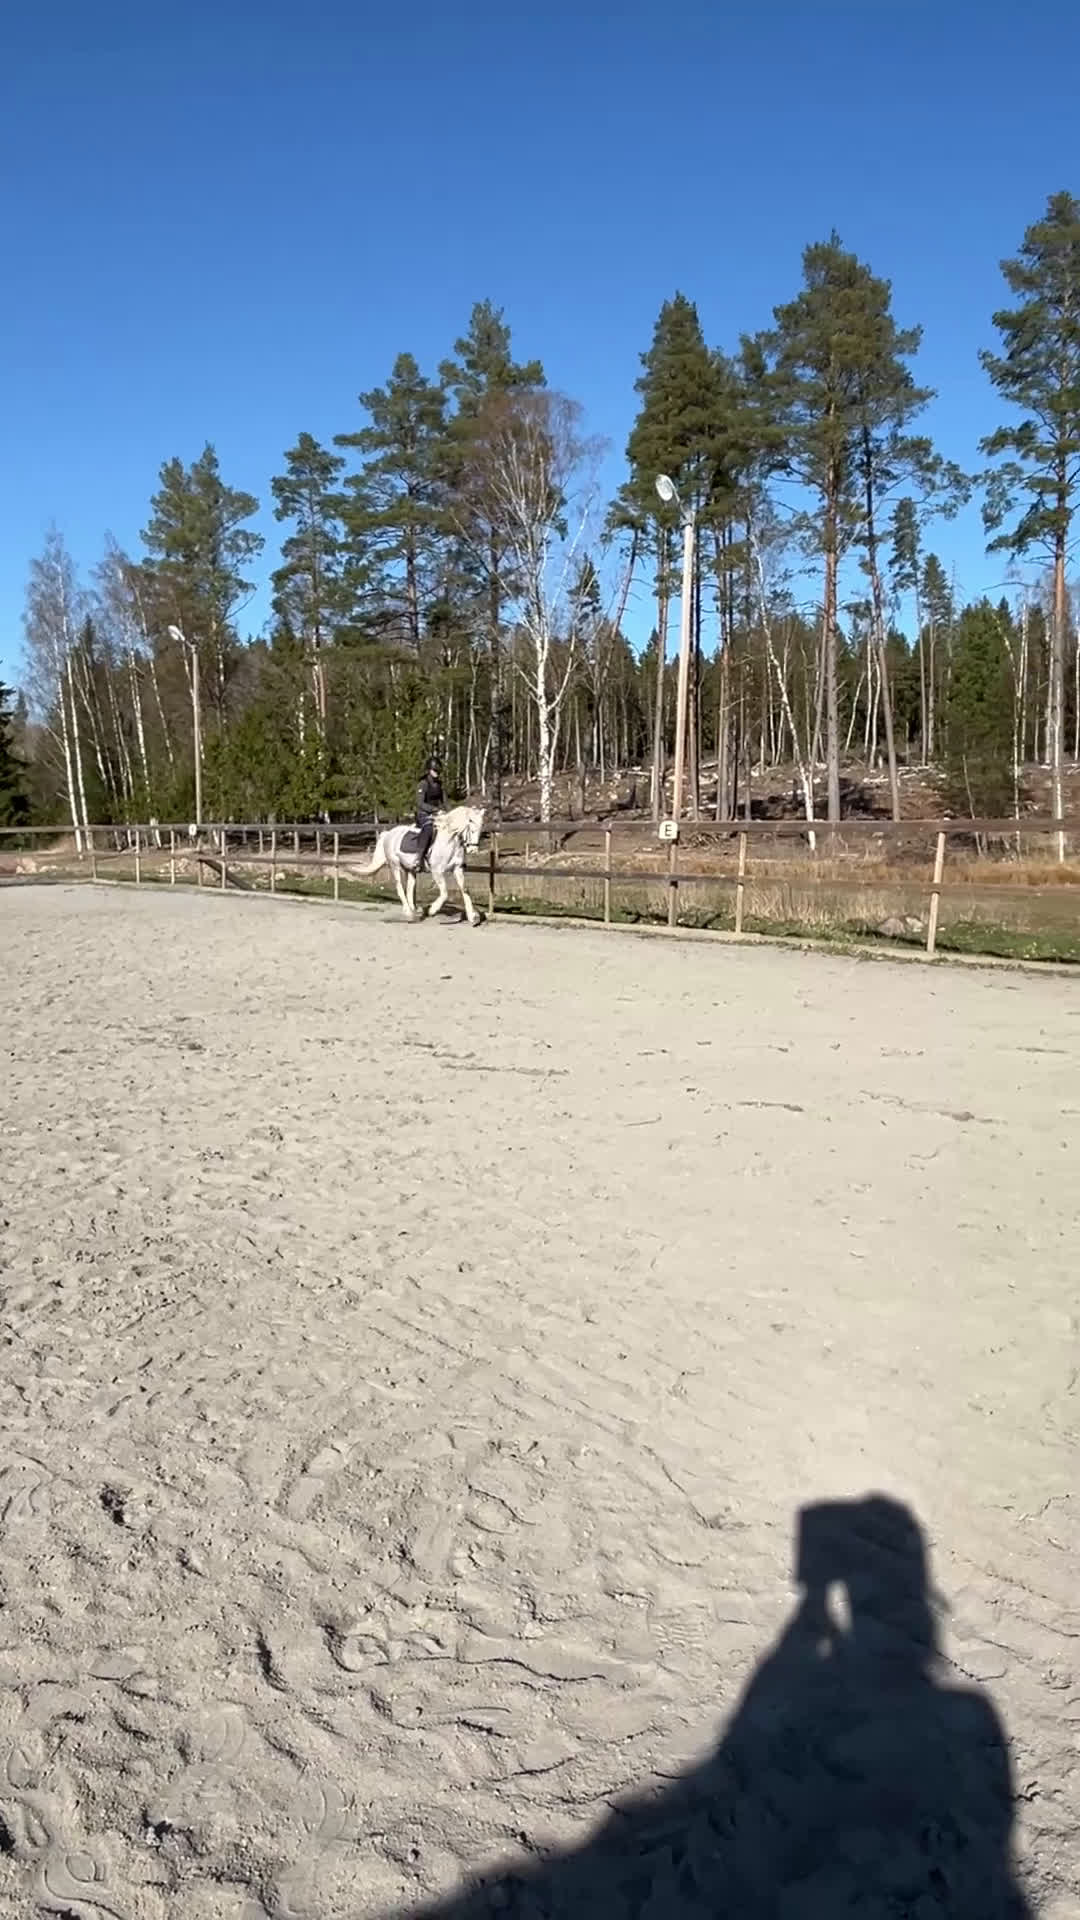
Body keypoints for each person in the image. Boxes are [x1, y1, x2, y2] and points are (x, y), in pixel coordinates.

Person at [414, 755, 444, 869]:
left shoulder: (439, 785)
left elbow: (445, 801)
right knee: (428, 829)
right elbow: (419, 803)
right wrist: (434, 809)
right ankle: (419, 857)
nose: (437, 773)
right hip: (423, 814)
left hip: (436, 814)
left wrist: (450, 813)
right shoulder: (423, 784)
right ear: (429, 770)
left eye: (438, 771)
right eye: (434, 770)